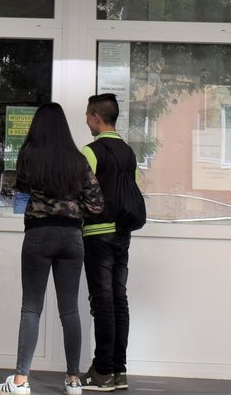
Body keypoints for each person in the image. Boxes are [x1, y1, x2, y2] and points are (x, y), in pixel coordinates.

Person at [0, 103, 104, 395]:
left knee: (31, 307)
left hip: (38, 235)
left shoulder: (28, 156)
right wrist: (72, 209)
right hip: (71, 237)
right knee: (70, 310)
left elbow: (20, 188)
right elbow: (97, 204)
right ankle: (73, 380)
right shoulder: (78, 160)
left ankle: (20, 381)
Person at [79, 93, 139, 392]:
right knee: (118, 299)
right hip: (122, 234)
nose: (86, 121)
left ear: (96, 116)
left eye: (87, 115)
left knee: (102, 302)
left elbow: (80, 191)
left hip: (96, 233)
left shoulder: (90, 152)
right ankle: (118, 370)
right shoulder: (129, 152)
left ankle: (102, 372)